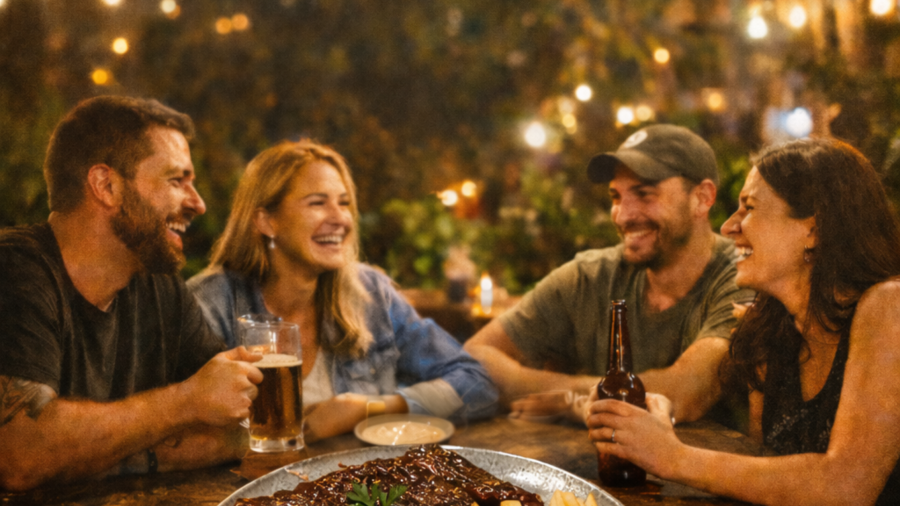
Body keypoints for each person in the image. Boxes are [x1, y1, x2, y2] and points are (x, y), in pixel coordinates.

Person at [588, 137, 900, 505]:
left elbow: (848, 486)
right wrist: (653, 423)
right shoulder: (770, 333)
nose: (728, 227)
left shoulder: (888, 306)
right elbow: (766, 478)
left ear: (813, 229)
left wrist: (672, 456)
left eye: (749, 208)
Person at [0, 96, 264, 491]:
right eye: (176, 181)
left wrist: (97, 453)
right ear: (106, 186)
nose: (199, 204)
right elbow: (21, 455)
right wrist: (186, 402)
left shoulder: (159, 286)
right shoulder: (15, 269)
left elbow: (237, 430)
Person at [187, 140, 498, 442]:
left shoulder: (371, 294)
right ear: (267, 221)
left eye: (344, 203)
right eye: (317, 203)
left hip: (366, 477)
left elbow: (477, 384)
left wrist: (368, 409)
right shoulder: (210, 303)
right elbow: (181, 435)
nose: (340, 219)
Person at [464, 124, 755, 424]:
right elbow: (472, 357)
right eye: (616, 196)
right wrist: (590, 396)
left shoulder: (745, 275)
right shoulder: (589, 277)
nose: (623, 215)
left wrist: (565, 401)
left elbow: (682, 392)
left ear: (702, 198)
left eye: (644, 194)